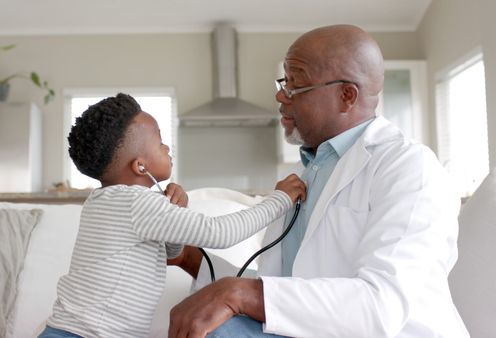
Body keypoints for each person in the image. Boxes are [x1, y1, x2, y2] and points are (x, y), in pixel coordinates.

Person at [168, 25, 469, 338]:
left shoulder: (408, 168)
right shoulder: (307, 172)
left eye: (295, 84)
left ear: (346, 96)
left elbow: (379, 305)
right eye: (284, 81)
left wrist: (238, 294)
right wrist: (189, 257)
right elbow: (287, 289)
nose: (280, 94)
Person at [38, 93, 307, 338]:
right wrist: (279, 200)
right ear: (140, 166)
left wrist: (175, 211)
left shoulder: (106, 200)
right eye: (160, 141)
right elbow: (220, 233)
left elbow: (170, 252)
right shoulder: (136, 203)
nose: (167, 148)